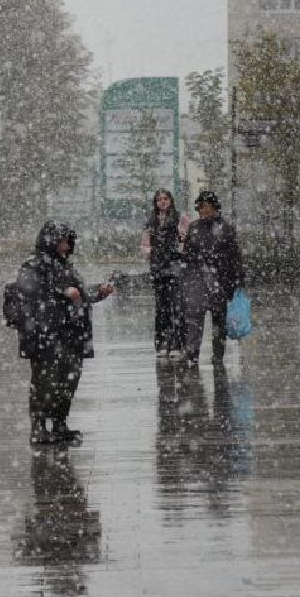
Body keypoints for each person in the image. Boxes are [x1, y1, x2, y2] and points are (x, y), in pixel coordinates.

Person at [13, 222, 114, 447]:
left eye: (68, 241)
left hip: (70, 333)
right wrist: (62, 292)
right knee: (44, 382)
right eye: (62, 241)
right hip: (45, 334)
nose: (66, 246)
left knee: (68, 380)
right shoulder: (33, 265)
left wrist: (98, 291)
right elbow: (29, 293)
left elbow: (80, 293)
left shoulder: (65, 266)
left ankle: (60, 423)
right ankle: (38, 427)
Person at [180, 190, 245, 368]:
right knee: (194, 323)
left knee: (219, 324)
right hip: (197, 284)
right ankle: (192, 356)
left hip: (220, 284)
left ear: (215, 207)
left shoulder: (226, 228)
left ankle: (218, 357)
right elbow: (187, 256)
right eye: (200, 207)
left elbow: (235, 257)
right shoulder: (193, 227)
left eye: (207, 206)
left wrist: (237, 281)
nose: (204, 210)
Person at [139, 189, 186, 358]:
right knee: (161, 308)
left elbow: (184, 240)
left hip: (174, 266)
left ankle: (176, 344)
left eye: (165, 199)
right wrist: (150, 252)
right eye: (159, 199)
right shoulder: (151, 221)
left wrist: (177, 253)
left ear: (171, 200)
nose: (163, 202)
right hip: (158, 268)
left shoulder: (179, 218)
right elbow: (144, 244)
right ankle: (161, 343)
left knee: (176, 306)